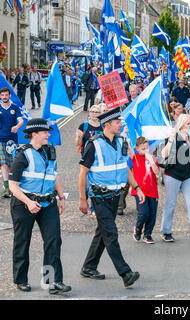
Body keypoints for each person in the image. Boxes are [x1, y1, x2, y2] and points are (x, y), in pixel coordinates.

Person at [78, 107, 145, 288]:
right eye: (117, 122)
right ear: (107, 125)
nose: (121, 125)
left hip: (115, 197)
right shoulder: (93, 144)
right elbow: (83, 173)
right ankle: (125, 273)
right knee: (111, 233)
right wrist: (83, 199)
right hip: (99, 197)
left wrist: (137, 187)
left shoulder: (121, 142)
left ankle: (89, 266)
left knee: (103, 232)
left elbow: (126, 169)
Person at [9, 118, 71, 294]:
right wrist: (28, 202)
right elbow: (13, 186)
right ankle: (21, 279)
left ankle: (52, 282)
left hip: (47, 203)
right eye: (45, 132)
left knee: (53, 240)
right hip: (24, 204)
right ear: (34, 134)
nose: (48, 135)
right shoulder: (22, 155)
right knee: (22, 242)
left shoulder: (50, 151)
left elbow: (54, 174)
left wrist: (61, 196)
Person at [159, 114, 190, 244]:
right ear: (181, 125)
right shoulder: (173, 137)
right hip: (172, 175)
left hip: (188, 175)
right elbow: (163, 155)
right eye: (188, 124)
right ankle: (166, 231)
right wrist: (170, 139)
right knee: (170, 204)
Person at [131, 137, 160, 244]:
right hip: (140, 191)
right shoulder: (136, 157)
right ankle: (138, 228)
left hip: (152, 191)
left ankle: (147, 234)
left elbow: (157, 172)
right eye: (143, 149)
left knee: (152, 214)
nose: (145, 151)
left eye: (147, 148)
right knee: (144, 212)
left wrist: (151, 160)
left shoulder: (152, 157)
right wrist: (125, 134)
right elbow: (129, 149)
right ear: (137, 148)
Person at [0, 87, 24, 198]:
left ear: (9, 96)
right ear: (0, 96)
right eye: (2, 95)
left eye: (6, 95)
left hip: (12, 141)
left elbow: (21, 120)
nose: (4, 97)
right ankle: (7, 189)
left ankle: (12, 185)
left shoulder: (14, 107)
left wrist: (17, 126)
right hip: (1, 140)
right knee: (3, 163)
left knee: (11, 165)